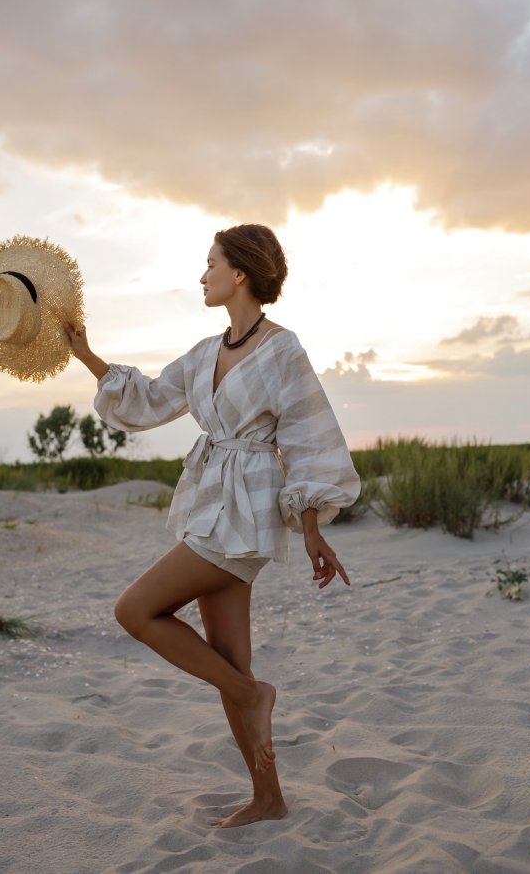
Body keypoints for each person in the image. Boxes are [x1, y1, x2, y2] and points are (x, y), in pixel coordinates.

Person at [64, 223, 360, 828]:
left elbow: (308, 438)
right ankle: (269, 797)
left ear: (240, 274)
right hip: (210, 504)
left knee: (134, 610)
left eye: (211, 263)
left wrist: (310, 528)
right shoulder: (206, 352)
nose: (203, 275)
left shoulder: (283, 350)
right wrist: (85, 354)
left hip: (245, 513)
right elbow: (146, 400)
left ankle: (255, 697)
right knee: (230, 662)